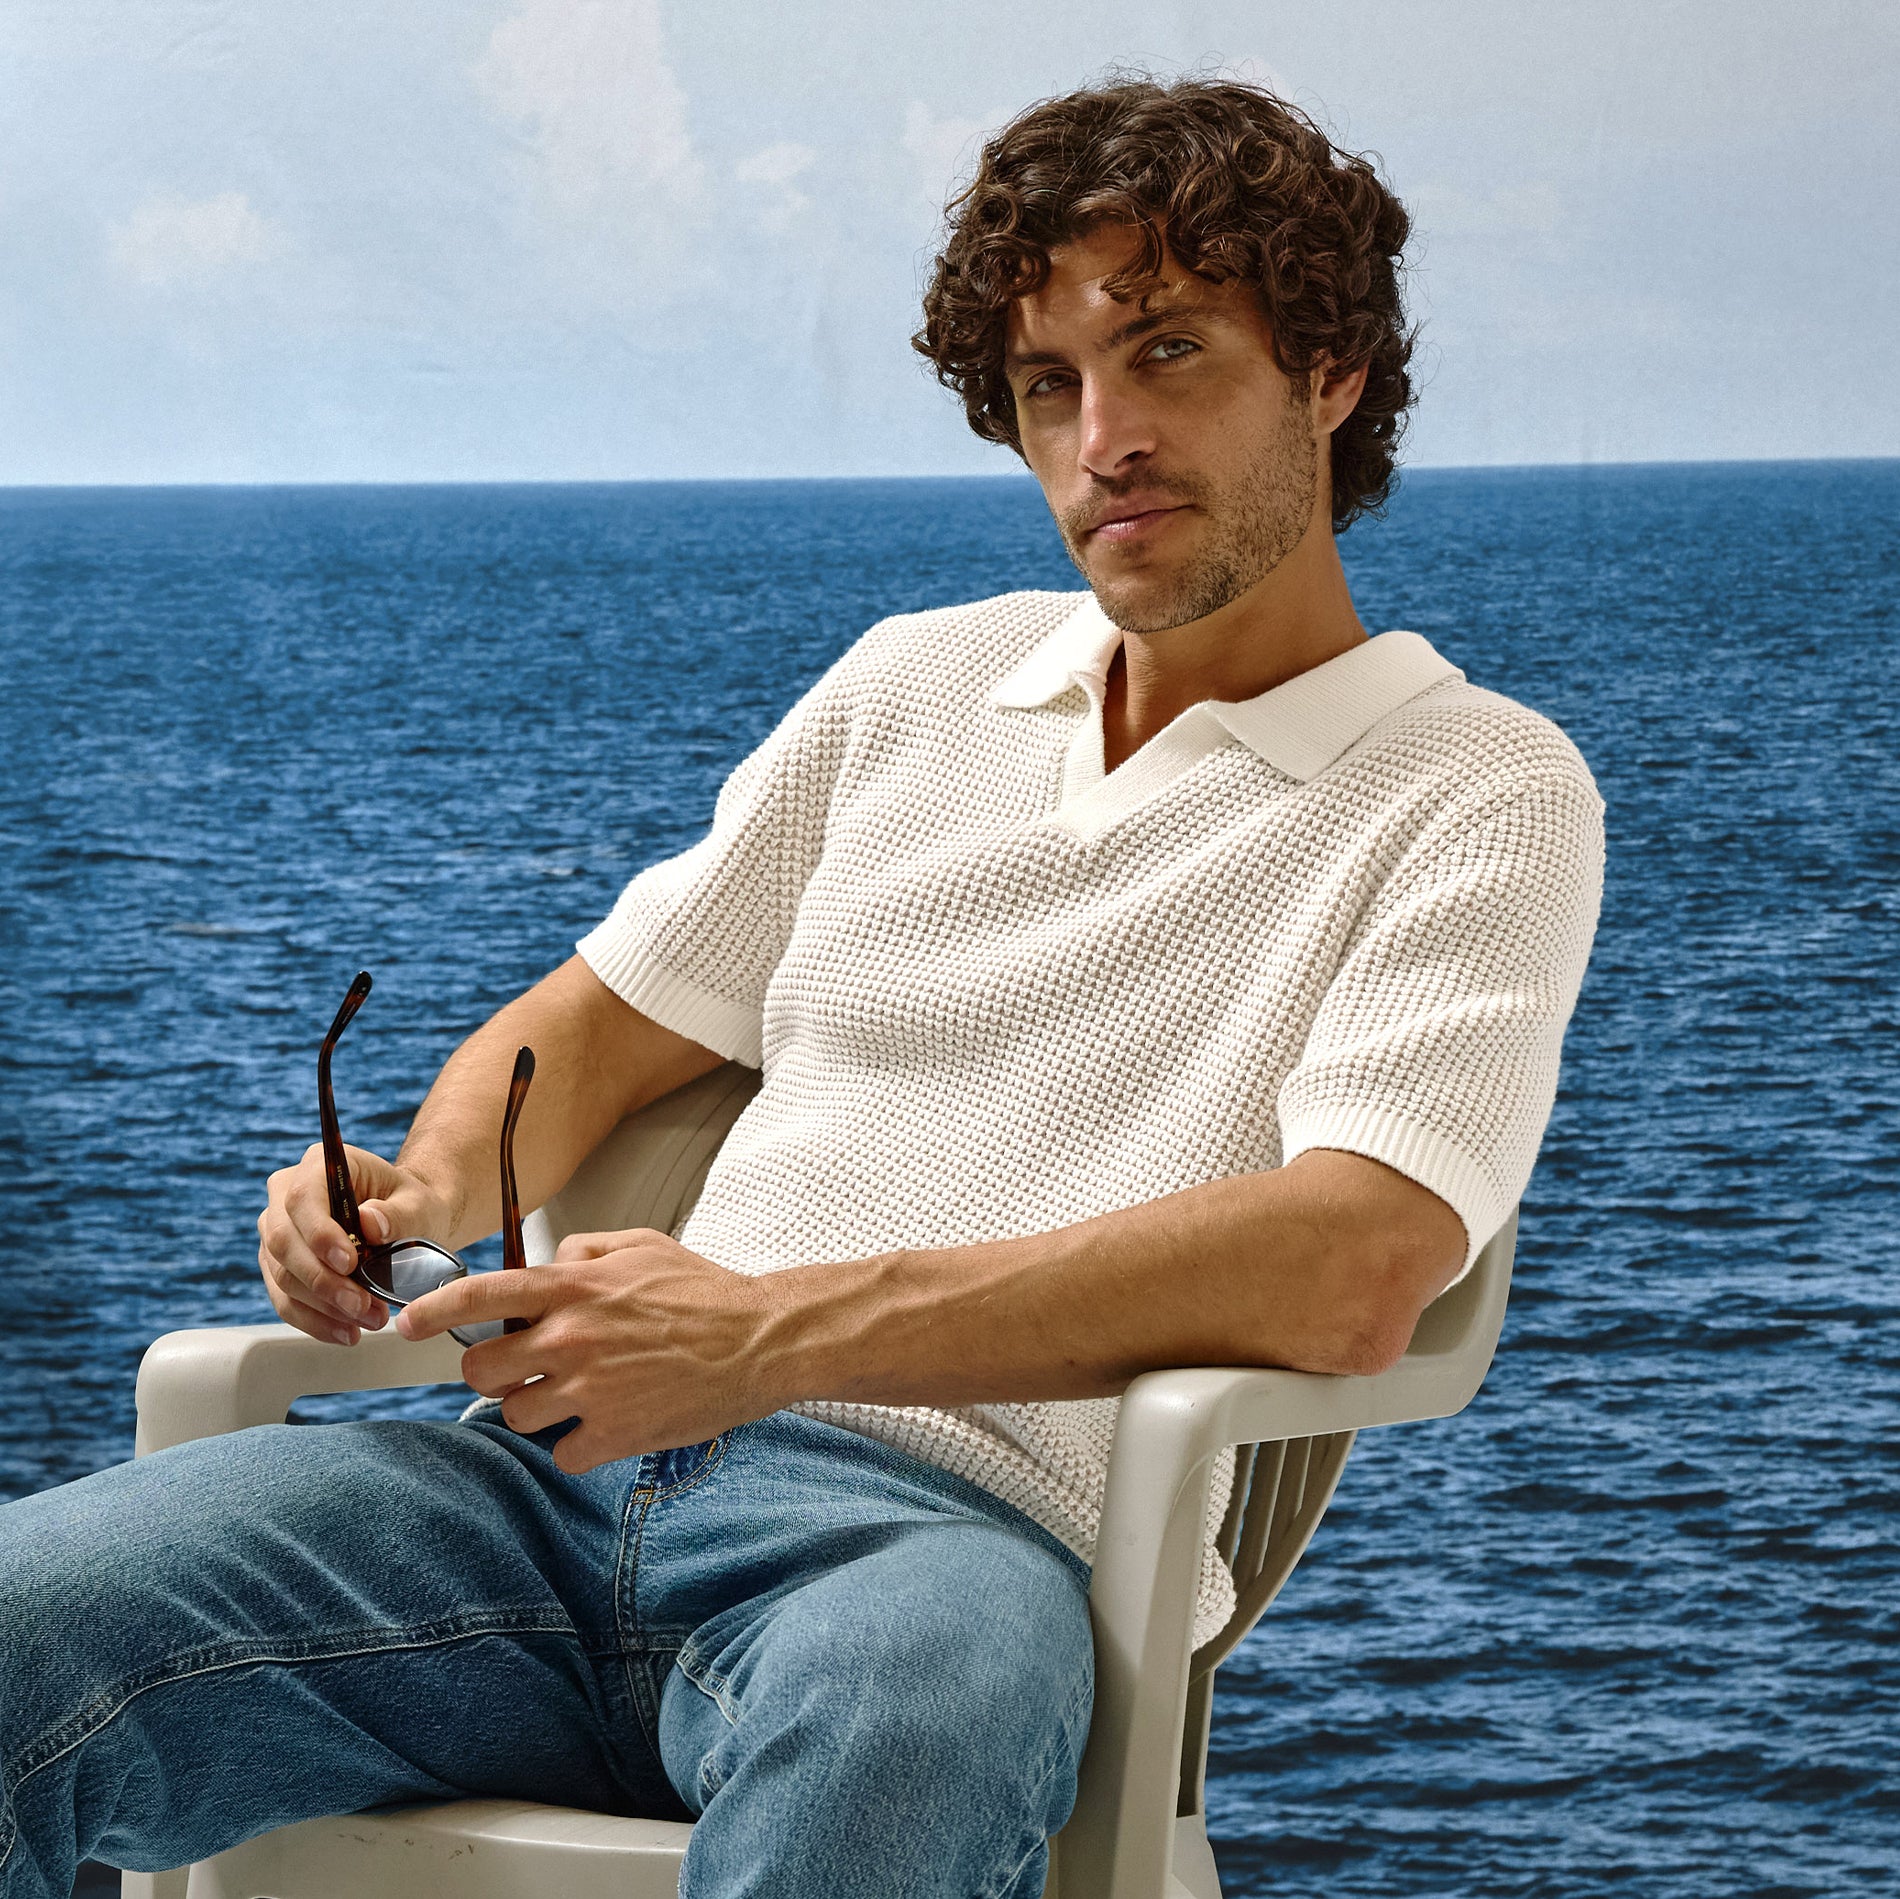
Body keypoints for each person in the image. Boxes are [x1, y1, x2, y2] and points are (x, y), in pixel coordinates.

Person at [0, 76, 1603, 1899]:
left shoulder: (1480, 789)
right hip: (520, 1496)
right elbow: (593, 1024)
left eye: (1170, 354)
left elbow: (1354, 1264)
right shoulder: (911, 687)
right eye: (1049, 389)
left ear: (1332, 372)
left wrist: (763, 1335)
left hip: (944, 1546)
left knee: (896, 1742)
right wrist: (420, 1194)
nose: (1107, 440)